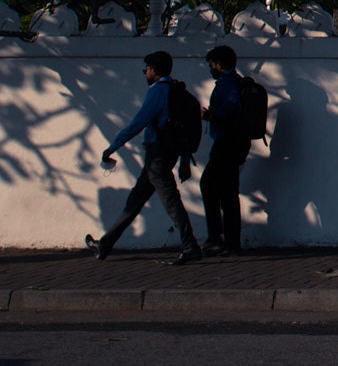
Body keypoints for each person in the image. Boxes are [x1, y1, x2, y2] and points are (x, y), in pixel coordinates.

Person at [86, 50, 202, 264]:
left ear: (155, 71)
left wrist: (112, 148)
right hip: (167, 155)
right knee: (134, 202)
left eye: (146, 69)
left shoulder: (158, 91)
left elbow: (138, 123)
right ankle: (104, 245)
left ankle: (190, 245)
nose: (145, 73)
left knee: (170, 201)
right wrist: (185, 159)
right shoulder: (178, 91)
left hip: (157, 156)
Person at [200, 46, 250, 255]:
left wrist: (210, 115)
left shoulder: (227, 83)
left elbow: (230, 106)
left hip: (226, 143)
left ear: (219, 64)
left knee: (211, 186)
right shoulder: (238, 81)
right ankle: (229, 240)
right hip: (237, 142)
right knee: (227, 191)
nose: (210, 70)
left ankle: (218, 238)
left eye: (212, 65)